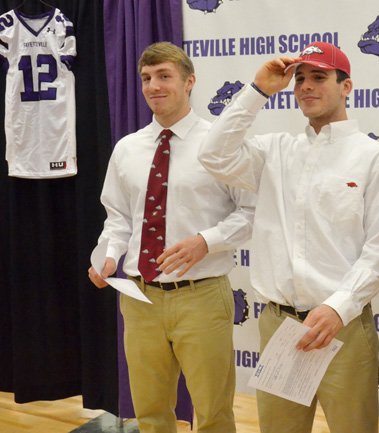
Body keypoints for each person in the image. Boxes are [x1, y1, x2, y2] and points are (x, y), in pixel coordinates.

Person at [198, 42, 379, 433]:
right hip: (280, 325)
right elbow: (213, 154)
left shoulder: (375, 158)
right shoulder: (274, 150)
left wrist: (339, 307)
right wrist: (258, 90)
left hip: (342, 325)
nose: (306, 87)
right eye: (301, 79)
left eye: (319, 77)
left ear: (347, 87)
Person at [88, 42, 254, 433]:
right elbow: (118, 219)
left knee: (213, 414)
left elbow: (250, 213)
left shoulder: (220, 144)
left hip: (201, 295)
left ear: (189, 82)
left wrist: (206, 240)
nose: (153, 86)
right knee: (150, 413)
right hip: (140, 298)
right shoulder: (127, 149)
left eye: (164, 76)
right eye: (146, 78)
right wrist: (108, 256)